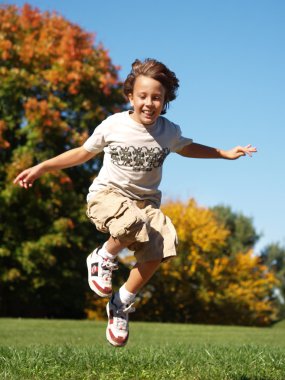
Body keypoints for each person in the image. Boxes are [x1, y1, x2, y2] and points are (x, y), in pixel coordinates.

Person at [14, 58, 257, 347]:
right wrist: (42, 167)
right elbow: (82, 153)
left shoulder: (169, 132)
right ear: (130, 96)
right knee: (133, 221)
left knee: (162, 243)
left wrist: (224, 153)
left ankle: (121, 303)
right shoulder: (113, 125)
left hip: (145, 204)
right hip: (107, 198)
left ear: (165, 100)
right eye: (143, 96)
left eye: (157, 97)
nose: (149, 103)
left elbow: (188, 148)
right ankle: (102, 256)